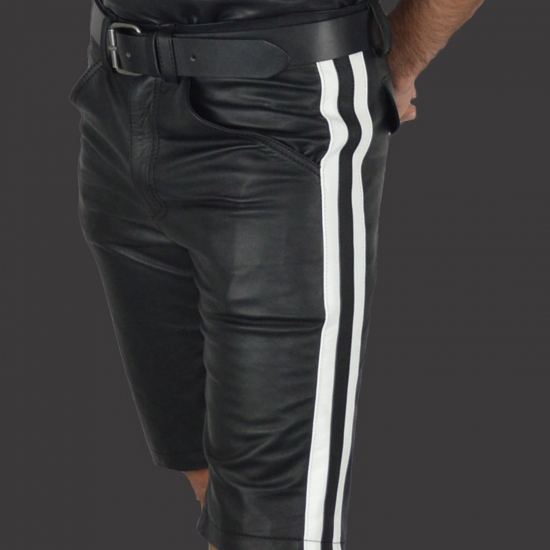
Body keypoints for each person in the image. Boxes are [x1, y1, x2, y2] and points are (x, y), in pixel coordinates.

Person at [69, 1, 484, 549]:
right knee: (206, 468)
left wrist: (400, 60)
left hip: (284, 109)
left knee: (274, 524)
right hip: (119, 95)